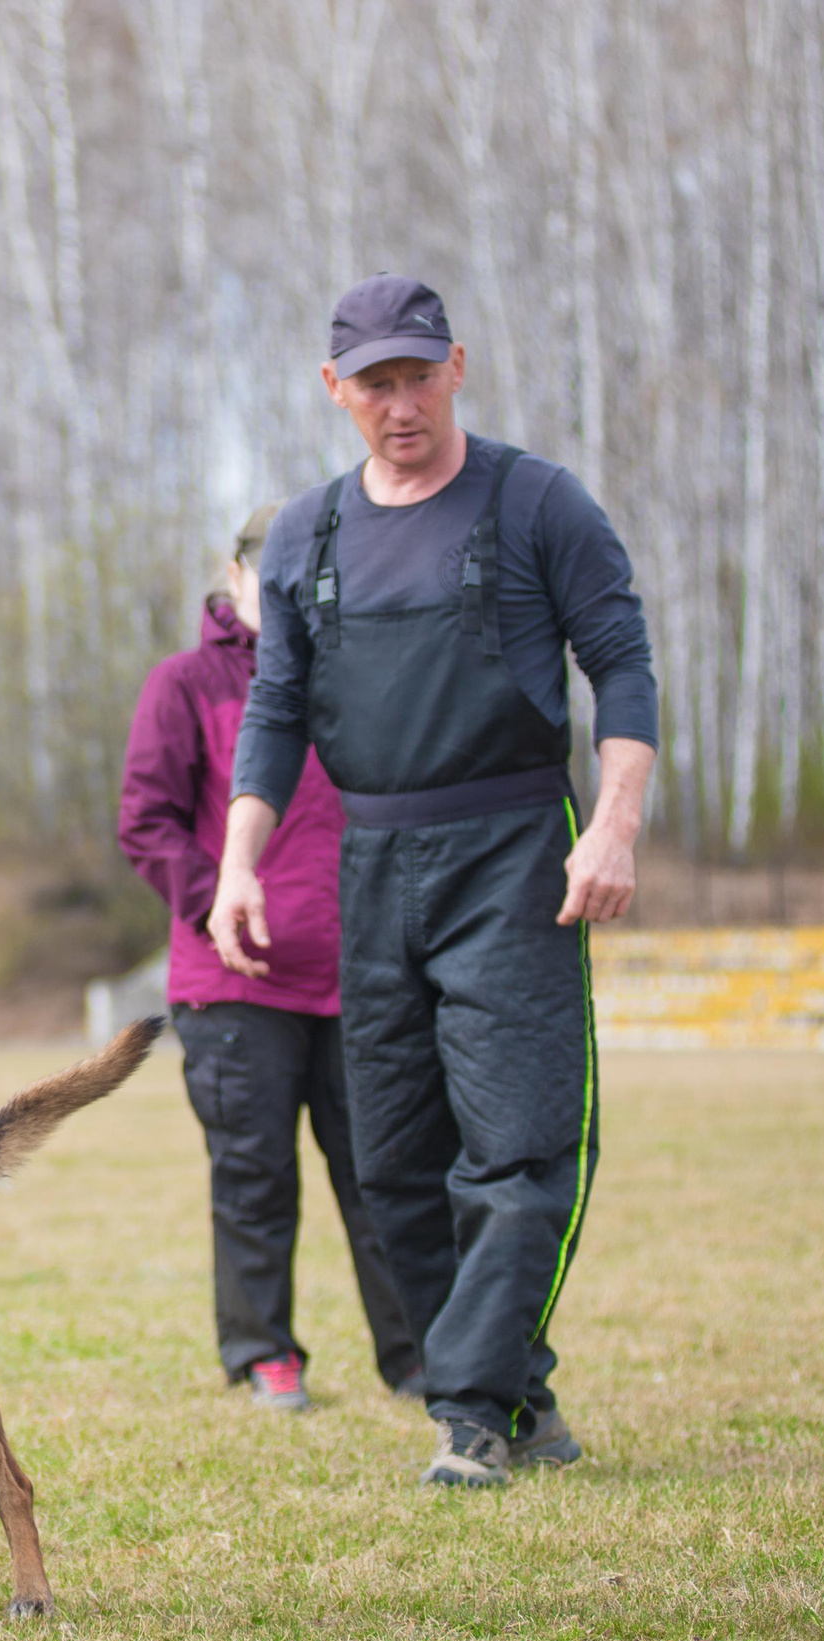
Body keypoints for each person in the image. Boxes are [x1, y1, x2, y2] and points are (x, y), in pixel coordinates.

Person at [209, 275, 657, 1489]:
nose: (399, 403)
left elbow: (621, 666)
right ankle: (520, 1393)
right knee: (394, 1159)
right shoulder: (305, 534)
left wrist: (612, 826)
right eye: (375, 383)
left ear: (456, 367)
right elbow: (276, 710)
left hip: (514, 849)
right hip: (371, 859)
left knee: (517, 1145)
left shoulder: (537, 502)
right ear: (334, 389)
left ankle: (468, 1410)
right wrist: (239, 865)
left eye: (418, 375)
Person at [119, 507, 420, 1414]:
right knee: (256, 1175)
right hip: (234, 984)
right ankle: (264, 1352)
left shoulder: (358, 677)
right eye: (275, 572)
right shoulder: (185, 684)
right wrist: (214, 904)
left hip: (358, 977)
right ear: (237, 573)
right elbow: (146, 822)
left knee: (384, 1172)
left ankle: (419, 1357)